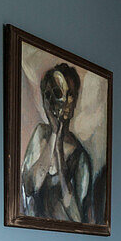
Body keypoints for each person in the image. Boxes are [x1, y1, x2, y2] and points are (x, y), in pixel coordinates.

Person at [20, 63, 95, 223]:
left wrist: (59, 150)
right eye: (48, 95)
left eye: (67, 94)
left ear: (73, 101)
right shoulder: (41, 134)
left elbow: (75, 215)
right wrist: (54, 133)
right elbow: (29, 187)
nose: (58, 102)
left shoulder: (80, 157)